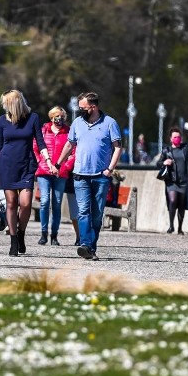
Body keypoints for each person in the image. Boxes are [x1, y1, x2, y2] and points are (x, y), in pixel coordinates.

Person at [54, 92, 122, 261]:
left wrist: (110, 169)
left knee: (97, 214)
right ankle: (85, 244)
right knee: (83, 211)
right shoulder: (77, 123)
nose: (80, 110)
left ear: (93, 106)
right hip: (80, 175)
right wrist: (58, 163)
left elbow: (118, 147)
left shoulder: (109, 123)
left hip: (100, 176)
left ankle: (91, 247)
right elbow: (70, 144)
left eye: (83, 107)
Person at [0, 90, 57, 257]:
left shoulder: (33, 118)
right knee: (11, 203)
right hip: (7, 165)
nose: (4, 105)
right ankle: (14, 240)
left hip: (27, 165)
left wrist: (48, 161)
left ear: (15, 103)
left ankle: (21, 232)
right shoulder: (2, 120)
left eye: (6, 102)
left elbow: (41, 143)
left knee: (26, 203)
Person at [33, 106, 74, 246]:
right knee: (44, 201)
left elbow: (73, 152)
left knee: (56, 204)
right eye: (56, 116)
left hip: (60, 172)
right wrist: (41, 162)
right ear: (51, 117)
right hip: (44, 170)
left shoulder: (68, 132)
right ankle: (43, 233)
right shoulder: (44, 130)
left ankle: (54, 235)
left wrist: (65, 167)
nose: (59, 118)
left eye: (61, 116)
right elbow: (35, 147)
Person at [157, 127, 188, 234]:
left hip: (184, 181)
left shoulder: (186, 148)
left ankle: (180, 228)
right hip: (171, 181)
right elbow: (158, 163)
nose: (177, 138)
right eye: (175, 137)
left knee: (181, 205)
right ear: (171, 139)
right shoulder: (166, 151)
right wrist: (164, 162)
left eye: (178, 137)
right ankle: (171, 225)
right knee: (172, 201)